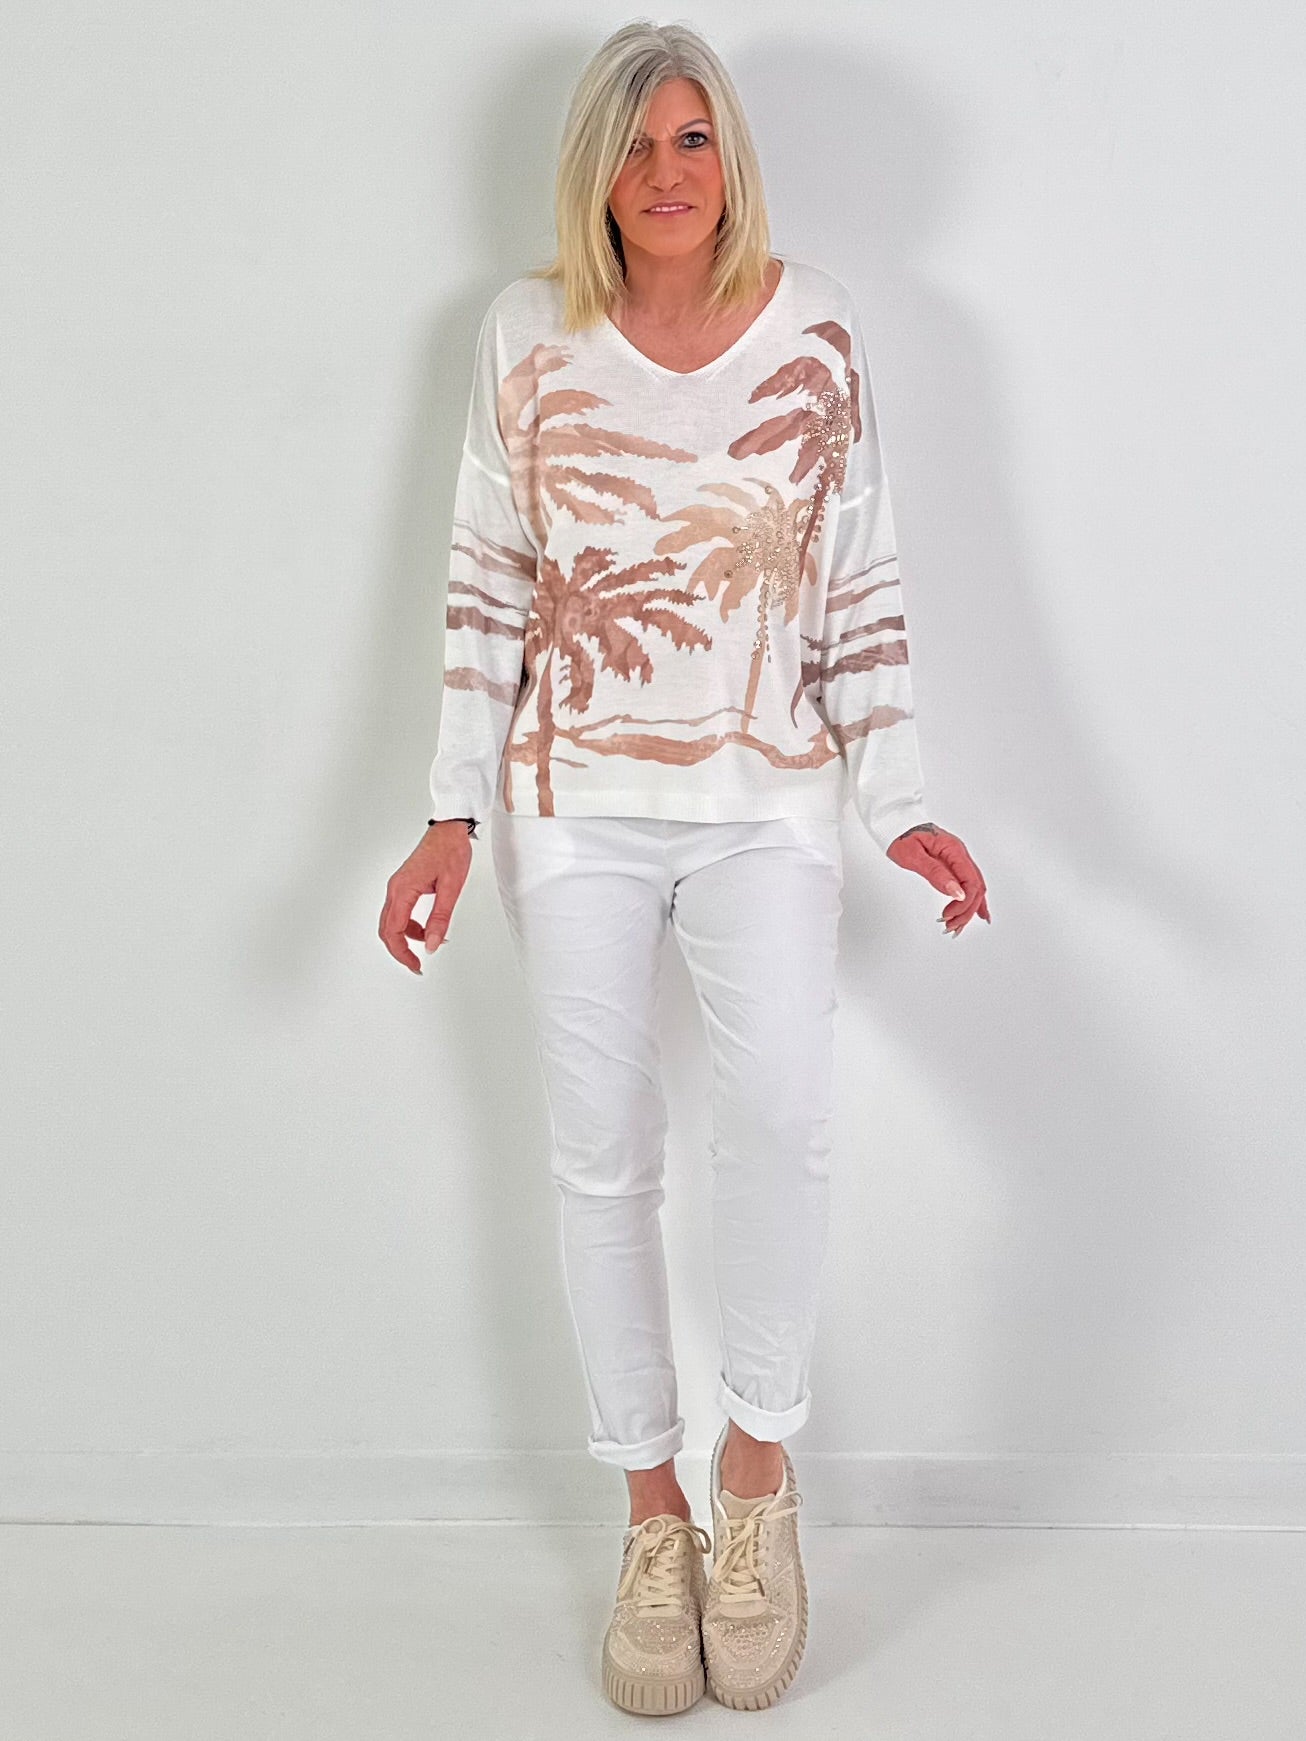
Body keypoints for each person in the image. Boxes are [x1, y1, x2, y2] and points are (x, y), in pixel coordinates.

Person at [379, 19, 989, 1717]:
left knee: (779, 1120)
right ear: (595, 170)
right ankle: (650, 1514)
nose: (667, 172)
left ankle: (756, 1476)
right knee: (602, 1156)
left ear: (731, 161)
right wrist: (451, 813)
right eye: (638, 144)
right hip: (571, 805)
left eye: (694, 139)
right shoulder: (524, 333)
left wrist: (897, 795)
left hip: (765, 800)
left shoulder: (817, 327)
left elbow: (856, 575)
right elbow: (487, 582)